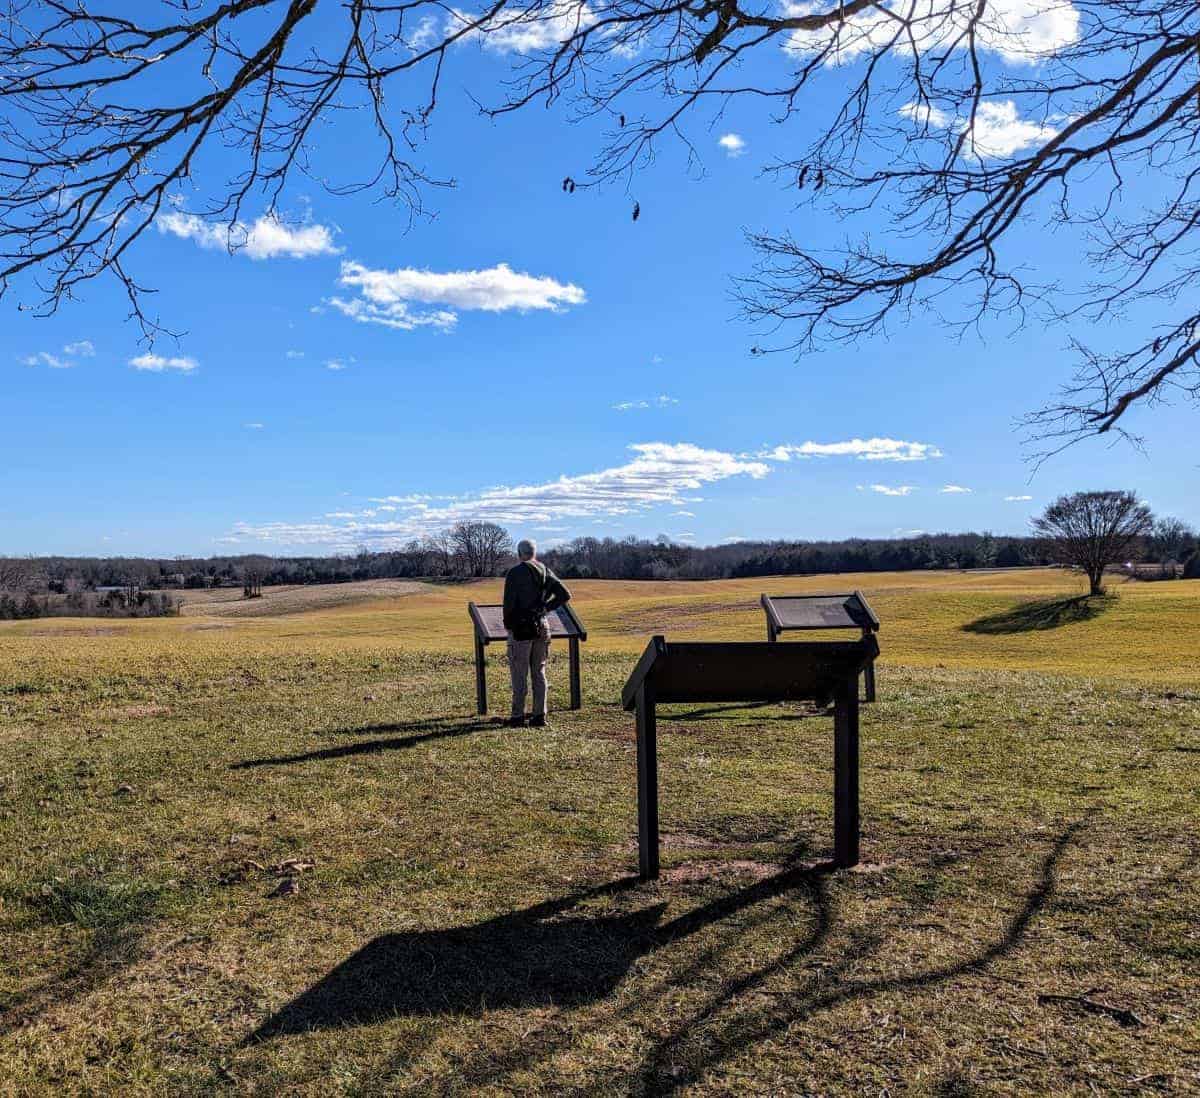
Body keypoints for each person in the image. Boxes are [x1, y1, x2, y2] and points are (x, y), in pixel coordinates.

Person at [502, 539, 571, 727]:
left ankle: (517, 716)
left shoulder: (515, 573)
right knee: (539, 672)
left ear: (519, 553)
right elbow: (565, 595)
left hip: (521, 628)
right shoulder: (545, 570)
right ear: (534, 553)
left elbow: (509, 604)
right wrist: (545, 608)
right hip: (542, 625)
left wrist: (509, 626)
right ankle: (539, 715)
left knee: (519, 673)